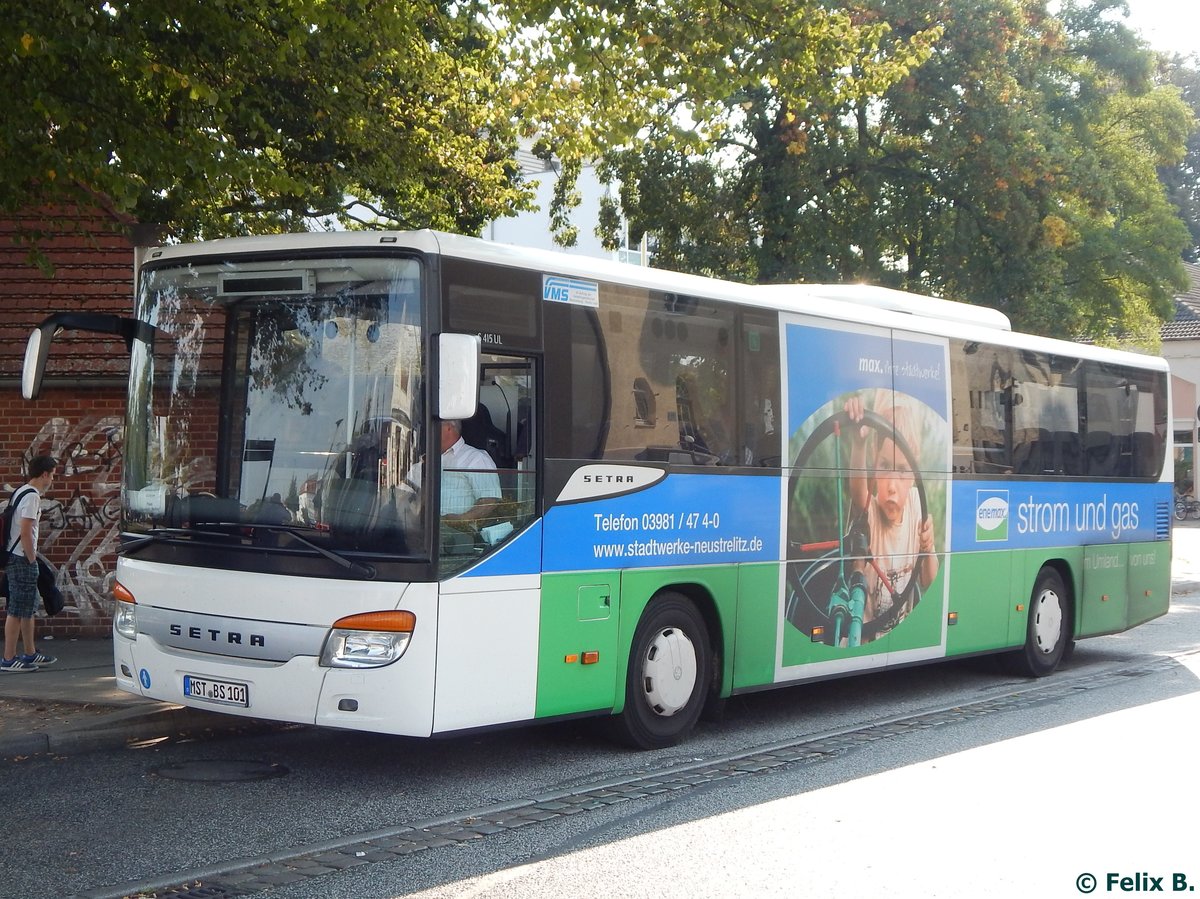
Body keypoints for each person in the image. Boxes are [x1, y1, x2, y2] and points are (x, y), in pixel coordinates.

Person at [844, 396, 938, 630]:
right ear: (874, 463)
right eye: (885, 466)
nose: (892, 485)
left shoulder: (917, 505)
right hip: (862, 638)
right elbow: (858, 492)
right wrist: (859, 443)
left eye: (903, 470)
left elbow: (929, 581)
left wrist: (929, 547)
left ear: (915, 473)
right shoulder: (870, 512)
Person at [2, 455, 58, 672]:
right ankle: (8, 658)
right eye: (52, 474)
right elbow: (26, 530)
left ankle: (29, 652)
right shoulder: (32, 496)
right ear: (44, 474)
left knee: (28, 606)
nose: (52, 479)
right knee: (17, 608)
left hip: (15, 555)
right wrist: (31, 558)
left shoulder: (20, 491)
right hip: (21, 558)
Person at [406, 419, 502, 535]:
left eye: (433, 425)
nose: (428, 431)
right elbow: (403, 497)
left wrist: (460, 520)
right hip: (418, 532)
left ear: (449, 428)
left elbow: (489, 501)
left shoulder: (476, 458)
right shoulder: (423, 461)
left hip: (457, 536)